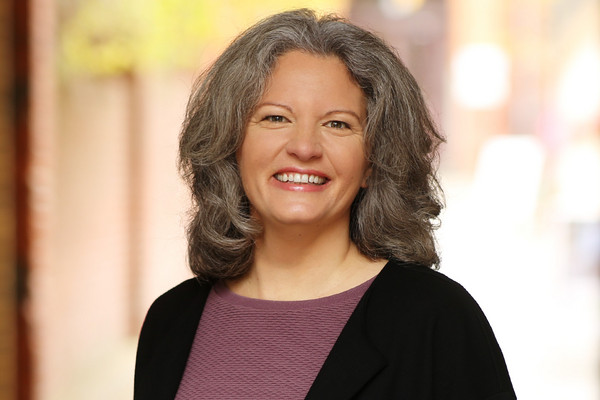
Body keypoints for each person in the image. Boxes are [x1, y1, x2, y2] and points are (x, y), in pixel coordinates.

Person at [134, 9, 516, 400]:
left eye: (338, 124)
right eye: (276, 117)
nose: (304, 147)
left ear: (373, 160)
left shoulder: (438, 320)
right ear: (232, 145)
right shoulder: (171, 321)